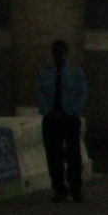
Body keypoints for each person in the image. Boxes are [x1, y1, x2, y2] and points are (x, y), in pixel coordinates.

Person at [36, 39, 88, 203]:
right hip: (51, 119)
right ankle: (59, 189)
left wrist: (70, 112)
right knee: (54, 156)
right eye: (55, 53)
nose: (58, 56)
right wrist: (48, 112)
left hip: (69, 118)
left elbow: (82, 95)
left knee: (73, 156)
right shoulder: (45, 74)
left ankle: (75, 188)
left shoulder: (76, 74)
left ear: (66, 53)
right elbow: (40, 95)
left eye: (60, 52)